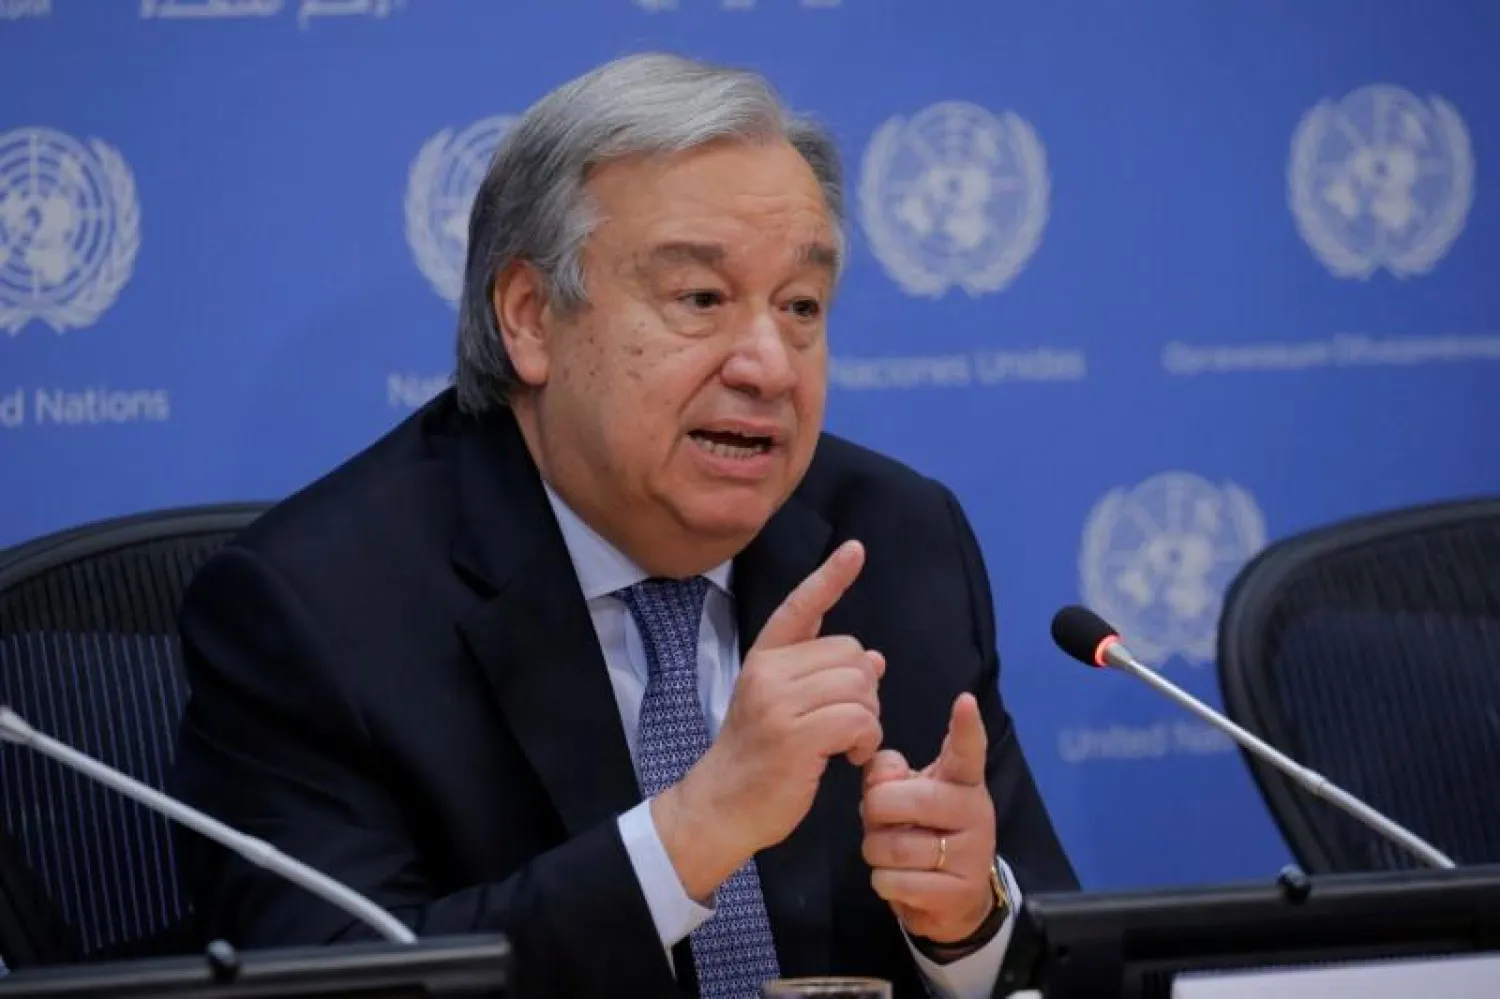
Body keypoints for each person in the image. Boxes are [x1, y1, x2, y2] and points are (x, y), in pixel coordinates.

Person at [169, 52, 1078, 998]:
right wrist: (694, 829)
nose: (768, 364)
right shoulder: (315, 612)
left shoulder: (892, 538)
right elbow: (329, 984)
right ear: (530, 317)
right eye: (701, 299)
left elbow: (1062, 957)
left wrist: (966, 927)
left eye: (801, 306)